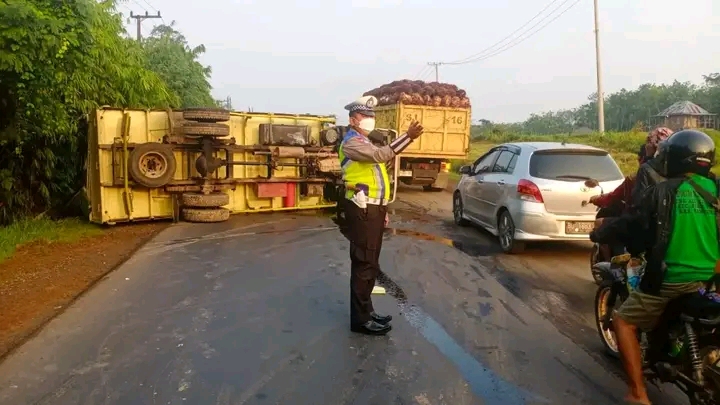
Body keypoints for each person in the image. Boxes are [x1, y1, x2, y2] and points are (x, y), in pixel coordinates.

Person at [612, 129, 719, 405]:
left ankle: (637, 393)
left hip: (674, 278)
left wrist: (599, 233)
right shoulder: (716, 189)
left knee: (622, 321)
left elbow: (632, 225)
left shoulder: (661, 191)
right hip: (711, 279)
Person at [338, 95, 424, 336]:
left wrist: (382, 209)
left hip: (373, 209)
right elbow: (381, 156)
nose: (370, 120)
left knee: (370, 263)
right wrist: (408, 137)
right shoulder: (352, 143)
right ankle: (360, 320)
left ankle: (367, 310)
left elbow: (376, 175)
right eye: (365, 116)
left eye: (371, 116)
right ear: (353, 119)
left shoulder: (365, 141)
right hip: (362, 209)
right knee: (364, 263)